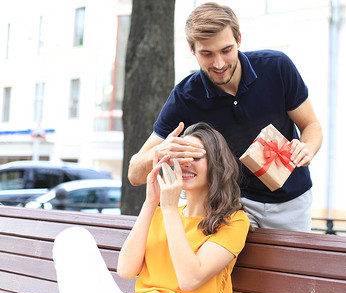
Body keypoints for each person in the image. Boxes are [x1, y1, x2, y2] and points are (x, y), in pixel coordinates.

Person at [128, 2, 323, 232]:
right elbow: (134, 173)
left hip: (291, 201)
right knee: (228, 266)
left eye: (226, 50)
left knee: (292, 268)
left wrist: (307, 147)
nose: (219, 64)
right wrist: (160, 152)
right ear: (192, 50)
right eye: (207, 54)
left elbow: (311, 125)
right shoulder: (185, 96)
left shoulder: (277, 67)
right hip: (233, 204)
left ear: (239, 39)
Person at [52, 122, 250, 293]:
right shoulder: (162, 212)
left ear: (217, 165)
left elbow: (190, 280)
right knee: (72, 239)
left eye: (196, 156)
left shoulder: (233, 221)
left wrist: (170, 209)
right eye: (180, 156)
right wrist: (150, 202)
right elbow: (126, 270)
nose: (187, 162)